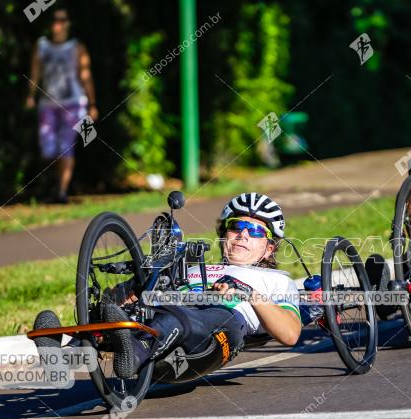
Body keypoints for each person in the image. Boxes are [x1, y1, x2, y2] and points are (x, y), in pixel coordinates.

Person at [33, 193, 302, 379]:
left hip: (222, 328)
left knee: (181, 316)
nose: (243, 234)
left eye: (255, 231)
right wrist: (130, 290)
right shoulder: (196, 268)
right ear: (224, 234)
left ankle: (134, 352)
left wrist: (247, 293)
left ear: (269, 248)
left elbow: (290, 333)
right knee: (142, 307)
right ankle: (67, 355)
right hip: (169, 311)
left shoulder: (277, 280)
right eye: (237, 226)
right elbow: (128, 295)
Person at [26, 8, 98, 204]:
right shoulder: (41, 46)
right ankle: (54, 185)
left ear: (67, 23)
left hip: (73, 103)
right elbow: (35, 73)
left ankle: (61, 191)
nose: (57, 24)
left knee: (65, 147)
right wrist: (30, 96)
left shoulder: (76, 47)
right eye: (54, 20)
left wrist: (92, 103)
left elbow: (85, 75)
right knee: (48, 148)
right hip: (48, 103)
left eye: (61, 20)